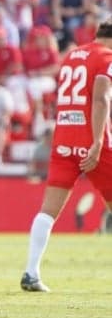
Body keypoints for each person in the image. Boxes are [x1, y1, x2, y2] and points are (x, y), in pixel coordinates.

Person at [21, 20, 112, 292]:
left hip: (64, 139)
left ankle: (31, 271)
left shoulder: (72, 56)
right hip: (92, 139)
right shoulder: (107, 57)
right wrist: (96, 142)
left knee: (48, 211)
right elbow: (100, 98)